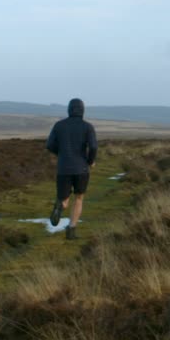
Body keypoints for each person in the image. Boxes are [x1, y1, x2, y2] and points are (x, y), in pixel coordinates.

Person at [46, 98, 98, 240]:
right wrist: (90, 161)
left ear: (69, 109)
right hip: (81, 169)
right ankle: (71, 229)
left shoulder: (59, 126)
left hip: (64, 168)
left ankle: (60, 206)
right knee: (79, 198)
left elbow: (49, 145)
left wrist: (61, 153)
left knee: (64, 198)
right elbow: (93, 147)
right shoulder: (88, 127)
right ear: (82, 110)